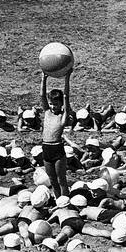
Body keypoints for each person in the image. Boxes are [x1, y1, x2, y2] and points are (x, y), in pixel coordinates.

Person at [40, 68, 74, 198]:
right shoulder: (47, 113)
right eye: (51, 104)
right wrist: (44, 78)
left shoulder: (63, 116)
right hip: (46, 148)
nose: (53, 106)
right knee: (52, 179)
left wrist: (67, 78)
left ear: (61, 105)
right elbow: (42, 96)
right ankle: (57, 199)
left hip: (57, 149)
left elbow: (66, 96)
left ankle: (65, 200)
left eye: (56, 104)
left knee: (61, 179)